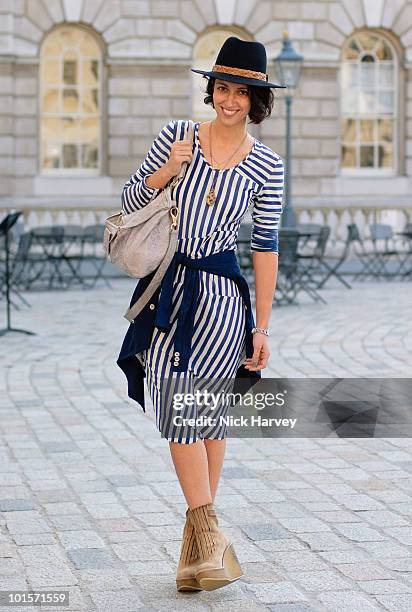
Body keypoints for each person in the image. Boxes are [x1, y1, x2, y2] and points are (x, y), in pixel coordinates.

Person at [117, 36, 284, 592]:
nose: (230, 100)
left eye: (242, 91)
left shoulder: (267, 165)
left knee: (205, 416)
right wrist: (167, 172)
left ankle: (198, 557)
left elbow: (265, 247)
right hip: (167, 290)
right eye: (223, 88)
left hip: (221, 301)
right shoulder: (177, 137)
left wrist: (261, 326)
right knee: (178, 408)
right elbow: (130, 200)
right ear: (211, 90)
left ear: (257, 100)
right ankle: (209, 538)